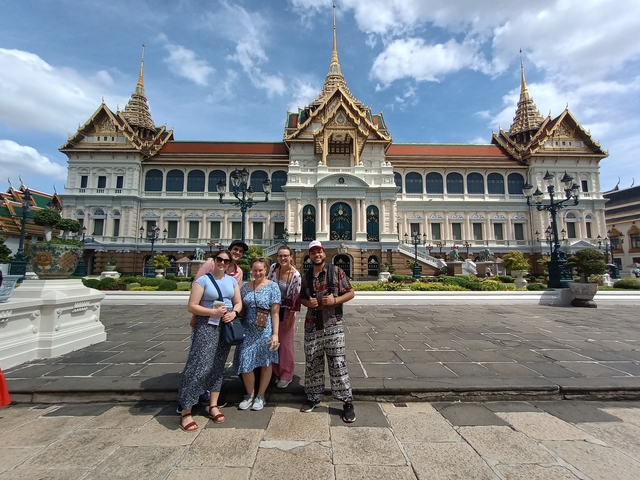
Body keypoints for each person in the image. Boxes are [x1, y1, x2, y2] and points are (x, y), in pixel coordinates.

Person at [178, 250, 242, 432]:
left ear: (230, 263)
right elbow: (192, 306)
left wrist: (234, 313)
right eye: (219, 259)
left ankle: (213, 405)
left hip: (225, 324)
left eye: (226, 261)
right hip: (207, 325)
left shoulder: (231, 281)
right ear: (214, 261)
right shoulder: (203, 280)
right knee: (199, 365)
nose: (222, 263)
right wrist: (212, 313)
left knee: (217, 365)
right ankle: (186, 410)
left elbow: (238, 302)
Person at [299, 240, 356, 423]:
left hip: (333, 323)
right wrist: (309, 303)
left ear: (324, 253)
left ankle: (347, 402)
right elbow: (301, 298)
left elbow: (350, 292)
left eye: (319, 252)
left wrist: (335, 301)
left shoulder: (336, 271)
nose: (317, 255)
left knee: (338, 363)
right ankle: (313, 398)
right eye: (313, 252)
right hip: (312, 325)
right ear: (310, 255)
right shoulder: (306, 276)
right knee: (312, 363)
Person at [233, 257, 281, 411]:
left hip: (265, 329)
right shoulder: (245, 287)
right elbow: (240, 307)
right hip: (248, 329)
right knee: (245, 362)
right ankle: (250, 394)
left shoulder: (273, 287)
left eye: (261, 270)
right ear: (251, 271)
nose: (258, 273)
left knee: (266, 363)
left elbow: (275, 313)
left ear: (266, 270)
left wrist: (275, 334)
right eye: (255, 270)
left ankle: (260, 395)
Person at [267, 245, 301, 388]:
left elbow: (296, 299)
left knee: (286, 344)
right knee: (272, 342)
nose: (283, 258)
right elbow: (267, 284)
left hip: (286, 311)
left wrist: (291, 317)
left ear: (291, 256)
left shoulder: (295, 275)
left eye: (286, 255)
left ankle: (286, 374)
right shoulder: (274, 268)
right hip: (271, 310)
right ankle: (274, 371)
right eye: (280, 255)